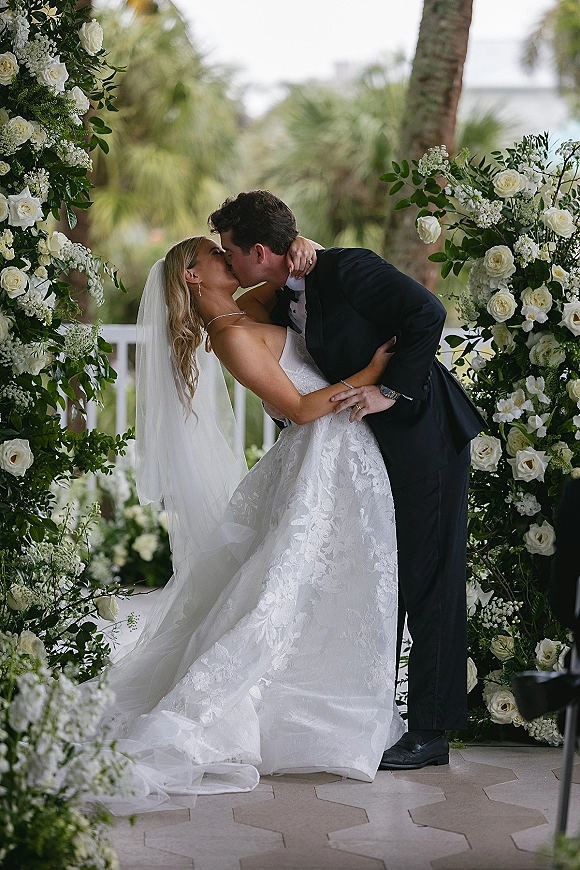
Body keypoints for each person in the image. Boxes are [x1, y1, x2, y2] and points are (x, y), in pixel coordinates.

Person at [97, 235, 404, 813]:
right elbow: (299, 408)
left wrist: (305, 250)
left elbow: (287, 272)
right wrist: (372, 371)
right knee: (284, 588)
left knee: (326, 582)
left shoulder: (247, 311)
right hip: (320, 447)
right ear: (193, 276)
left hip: (336, 450)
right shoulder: (231, 336)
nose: (229, 258)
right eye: (217, 255)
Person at [208, 190, 486, 771]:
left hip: (425, 439)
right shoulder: (279, 289)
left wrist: (389, 390)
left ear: (259, 251)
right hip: (370, 452)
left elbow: (426, 314)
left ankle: (430, 732)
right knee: (385, 579)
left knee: (427, 580)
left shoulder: (350, 267)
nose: (227, 262)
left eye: (232, 252)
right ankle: (378, 714)